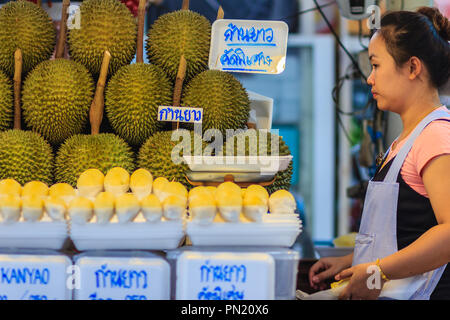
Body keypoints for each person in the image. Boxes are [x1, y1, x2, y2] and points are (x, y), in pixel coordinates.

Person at [309, 7, 450, 300]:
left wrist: (377, 271)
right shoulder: (407, 139)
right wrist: (351, 262)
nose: (370, 79)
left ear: (413, 68)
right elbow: (406, 234)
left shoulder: (436, 137)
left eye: (376, 65)